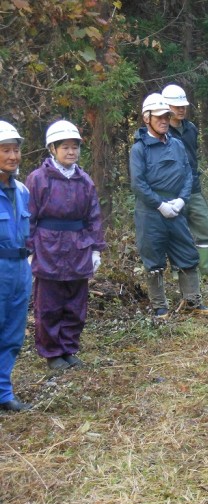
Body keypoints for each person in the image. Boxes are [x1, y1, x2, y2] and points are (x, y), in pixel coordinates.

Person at [26, 120, 106, 371]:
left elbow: (93, 216)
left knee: (75, 303)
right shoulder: (38, 179)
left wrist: (95, 248)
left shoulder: (85, 181)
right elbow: (29, 217)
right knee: (49, 304)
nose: (71, 152)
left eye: (75, 147)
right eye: (65, 147)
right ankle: (52, 353)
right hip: (47, 246)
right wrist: (28, 250)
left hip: (78, 246)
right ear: (52, 148)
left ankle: (69, 348)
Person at [130, 93, 208, 319]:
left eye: (166, 116)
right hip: (150, 212)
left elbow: (188, 173)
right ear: (146, 118)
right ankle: (160, 306)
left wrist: (181, 200)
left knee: (187, 253)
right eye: (159, 117)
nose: (164, 120)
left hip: (176, 208)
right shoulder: (139, 149)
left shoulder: (177, 144)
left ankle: (192, 301)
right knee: (154, 258)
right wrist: (159, 205)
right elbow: (138, 184)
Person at [162, 84, 208, 280]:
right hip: (172, 190)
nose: (181, 109)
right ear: (166, 107)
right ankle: (177, 269)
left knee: (204, 226)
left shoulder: (191, 129)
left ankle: (205, 266)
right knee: (176, 231)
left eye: (183, 106)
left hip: (193, 187)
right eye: (176, 106)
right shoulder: (162, 133)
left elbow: (193, 156)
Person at [0, 121, 32, 411]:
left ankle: (3, 392)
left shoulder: (22, 191)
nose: (13, 156)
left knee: (12, 334)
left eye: (16, 150)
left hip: (21, 270)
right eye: (5, 150)